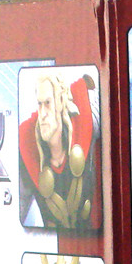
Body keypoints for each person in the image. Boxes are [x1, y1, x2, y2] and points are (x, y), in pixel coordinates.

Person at [19, 71, 100, 229]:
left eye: (48, 103)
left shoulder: (88, 118)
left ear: (61, 102)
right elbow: (17, 212)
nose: (42, 114)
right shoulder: (26, 147)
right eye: (39, 104)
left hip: (91, 237)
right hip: (52, 240)